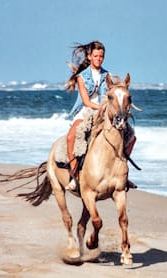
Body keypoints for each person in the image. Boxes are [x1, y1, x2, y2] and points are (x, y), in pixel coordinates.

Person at [65, 40, 136, 191]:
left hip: (105, 113)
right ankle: (74, 175)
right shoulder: (81, 77)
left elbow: (116, 92)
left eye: (101, 56)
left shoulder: (107, 76)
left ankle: (123, 173)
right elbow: (86, 101)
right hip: (86, 111)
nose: (99, 59)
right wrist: (102, 108)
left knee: (131, 136)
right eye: (96, 56)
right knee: (72, 136)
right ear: (89, 56)